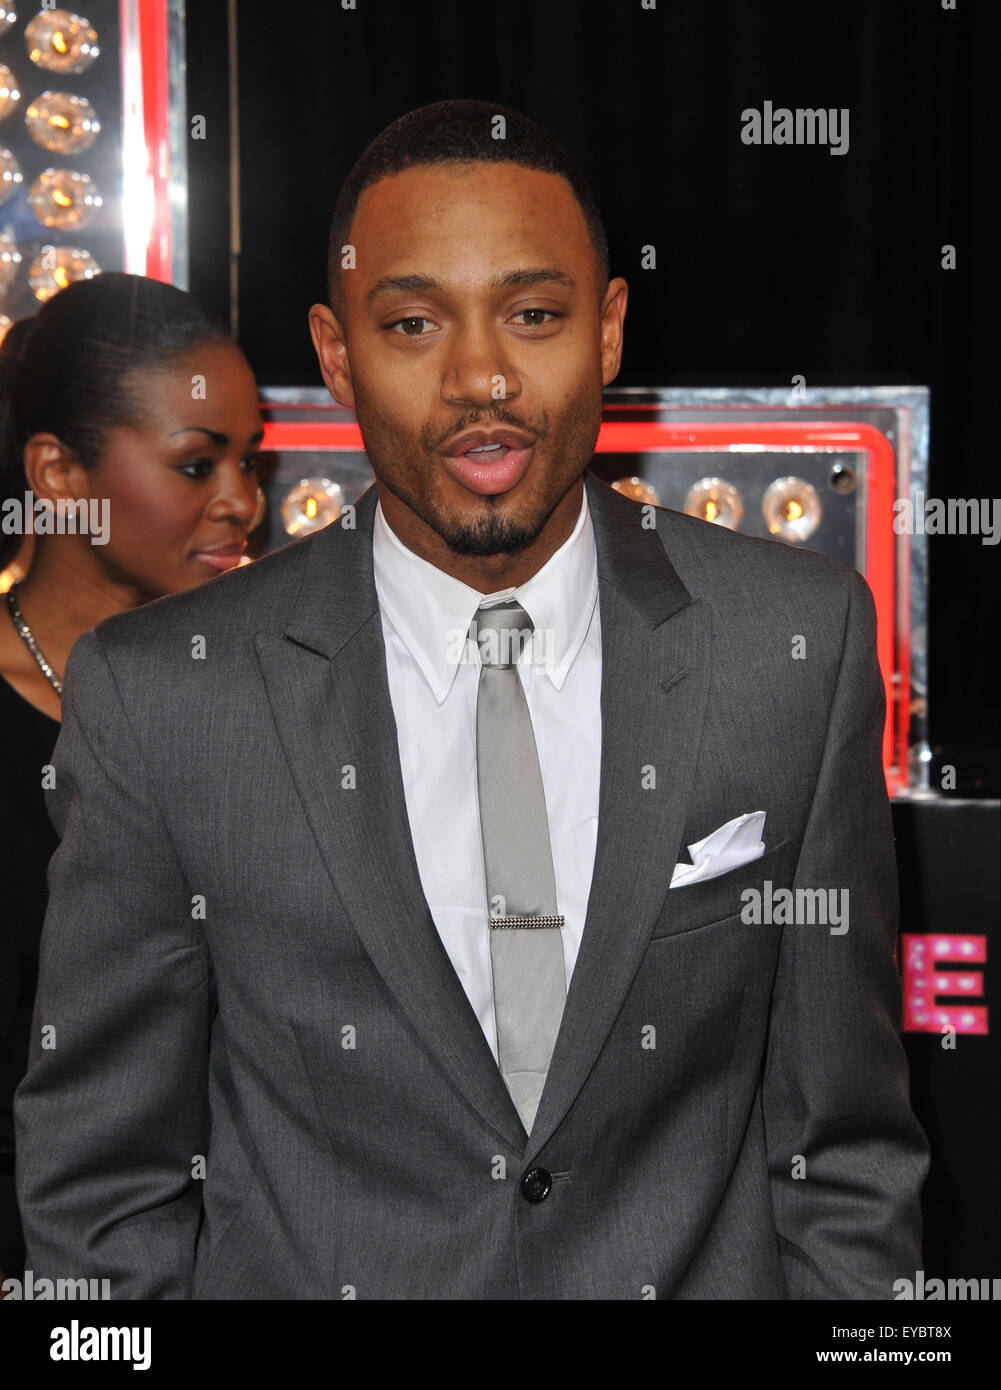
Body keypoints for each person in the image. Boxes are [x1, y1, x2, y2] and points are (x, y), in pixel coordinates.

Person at [14, 101, 929, 1300]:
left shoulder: (790, 644)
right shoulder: (161, 697)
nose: (480, 377)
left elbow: (842, 1157)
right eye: (409, 323)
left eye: (534, 315)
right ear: (336, 353)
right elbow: (102, 1187)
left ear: (605, 332)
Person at [0, 272, 264, 1283]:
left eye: (248, 460)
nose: (242, 501)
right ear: (60, 476)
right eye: (197, 465)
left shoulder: (264, 692)